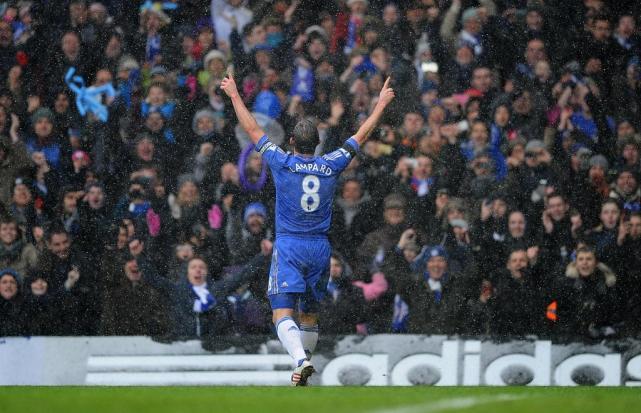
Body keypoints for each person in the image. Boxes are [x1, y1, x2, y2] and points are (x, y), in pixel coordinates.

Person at [221, 71, 395, 385]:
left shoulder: (281, 161)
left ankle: (300, 361)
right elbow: (361, 135)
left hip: (290, 245)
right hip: (320, 248)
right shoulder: (331, 164)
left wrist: (234, 94)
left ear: (291, 141)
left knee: (281, 312)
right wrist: (381, 104)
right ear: (317, 144)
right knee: (310, 314)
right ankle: (304, 372)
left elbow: (252, 128)